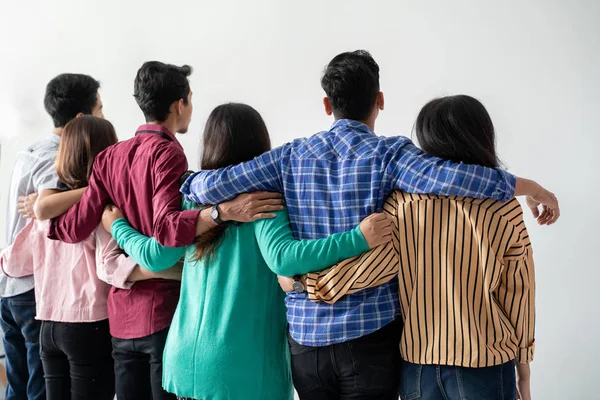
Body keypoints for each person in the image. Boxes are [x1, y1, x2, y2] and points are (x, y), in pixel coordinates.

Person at [180, 51, 558, 399]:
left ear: (327, 105)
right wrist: (527, 187)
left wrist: (210, 201)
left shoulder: (287, 158)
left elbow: (203, 186)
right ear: (380, 100)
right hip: (372, 340)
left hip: (306, 342)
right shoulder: (391, 154)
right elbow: (453, 179)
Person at [101, 102, 395, 400]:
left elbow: (154, 256)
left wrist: (118, 227)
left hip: (185, 361)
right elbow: (285, 257)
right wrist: (358, 238)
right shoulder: (263, 202)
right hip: (241, 371)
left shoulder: (192, 199)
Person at [45, 62, 284, 400]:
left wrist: (47, 215)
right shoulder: (169, 154)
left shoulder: (109, 157)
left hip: (121, 316)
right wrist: (220, 212)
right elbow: (167, 231)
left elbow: (74, 228)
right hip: (163, 313)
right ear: (179, 105)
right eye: (190, 99)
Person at [285, 95, 537, 400]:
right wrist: (523, 367)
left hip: (419, 367)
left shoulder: (402, 205)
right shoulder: (505, 208)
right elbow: (518, 293)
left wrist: (305, 283)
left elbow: (369, 269)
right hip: (486, 362)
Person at [1, 73, 103, 400]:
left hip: (10, 286)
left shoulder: (32, 150)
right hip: (32, 288)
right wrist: (103, 186)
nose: (103, 116)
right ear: (80, 118)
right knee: (39, 390)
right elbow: (45, 207)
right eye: (99, 109)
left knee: (18, 387)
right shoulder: (55, 156)